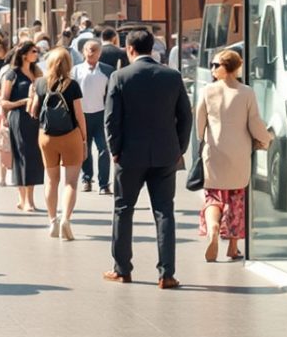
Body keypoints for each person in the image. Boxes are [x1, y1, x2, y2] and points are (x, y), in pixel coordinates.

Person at [104, 30, 193, 288]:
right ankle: (167, 273)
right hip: (165, 154)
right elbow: (185, 117)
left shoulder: (120, 76)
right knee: (164, 212)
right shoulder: (172, 76)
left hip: (129, 155)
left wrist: (115, 149)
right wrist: (179, 148)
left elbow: (111, 119)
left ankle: (122, 269)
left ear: (130, 49)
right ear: (152, 48)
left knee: (123, 210)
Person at [192, 50, 272, 264]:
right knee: (236, 198)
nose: (212, 69)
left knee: (213, 197)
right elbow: (255, 122)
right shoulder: (246, 92)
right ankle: (233, 247)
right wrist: (266, 139)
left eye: (215, 65)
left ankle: (213, 228)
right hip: (239, 153)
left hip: (214, 150)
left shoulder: (208, 90)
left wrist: (202, 138)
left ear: (226, 68)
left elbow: (199, 120)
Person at [35, 47, 88, 240]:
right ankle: (66, 218)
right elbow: (79, 115)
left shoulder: (40, 83)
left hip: (46, 136)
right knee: (71, 182)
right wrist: (84, 138)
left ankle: (52, 221)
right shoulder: (72, 85)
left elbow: (33, 111)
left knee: (51, 180)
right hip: (70, 135)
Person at [1, 40, 45, 212]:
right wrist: (24, 101)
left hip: (35, 119)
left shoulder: (37, 72)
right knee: (23, 156)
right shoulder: (12, 74)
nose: (36, 54)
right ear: (24, 54)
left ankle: (28, 199)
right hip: (19, 118)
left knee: (34, 157)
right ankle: (25, 200)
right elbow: (4, 101)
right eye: (34, 51)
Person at [77, 36, 114, 196]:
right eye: (88, 50)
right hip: (82, 115)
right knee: (84, 148)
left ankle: (104, 184)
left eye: (95, 50)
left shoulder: (108, 71)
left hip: (101, 115)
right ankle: (86, 179)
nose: (91, 53)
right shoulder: (76, 71)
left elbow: (112, 95)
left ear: (100, 53)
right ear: (83, 52)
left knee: (103, 149)